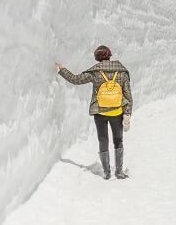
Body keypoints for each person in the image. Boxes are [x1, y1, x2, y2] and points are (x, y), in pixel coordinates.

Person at [56, 45, 133, 180]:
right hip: (117, 112)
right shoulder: (121, 72)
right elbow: (128, 95)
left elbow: (75, 79)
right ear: (110, 55)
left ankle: (107, 172)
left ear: (97, 57)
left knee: (103, 139)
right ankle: (119, 172)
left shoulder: (95, 72)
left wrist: (62, 69)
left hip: (100, 112)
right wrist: (127, 114)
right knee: (118, 140)